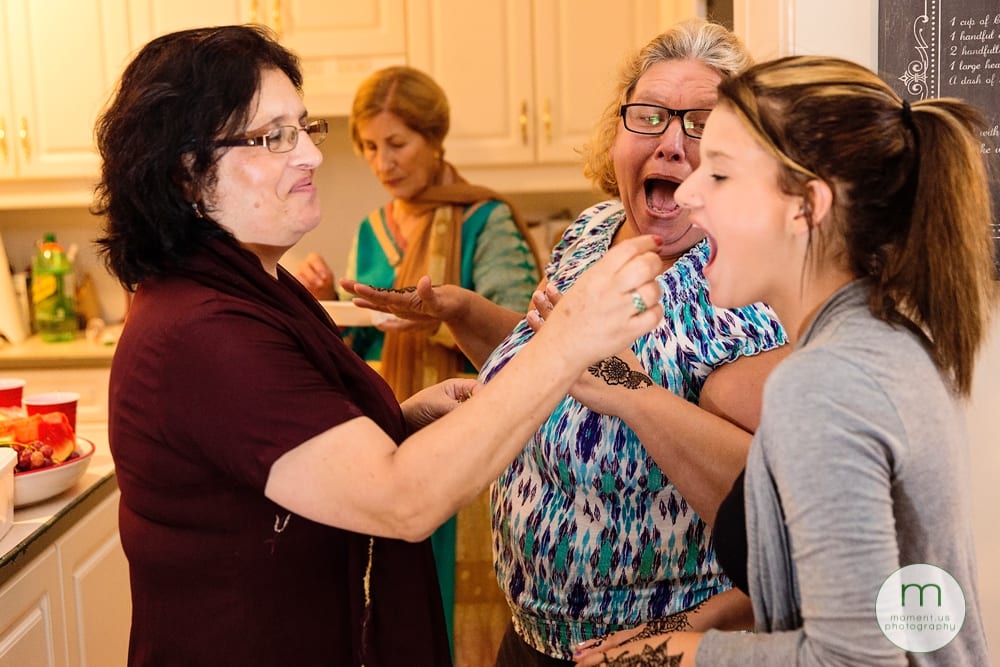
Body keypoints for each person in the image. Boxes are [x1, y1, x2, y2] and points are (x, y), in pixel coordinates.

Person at [90, 24, 666, 667]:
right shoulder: (199, 333)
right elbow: (402, 501)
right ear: (187, 175)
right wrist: (569, 339)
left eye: (304, 130)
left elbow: (288, 450)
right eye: (273, 137)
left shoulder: (254, 287)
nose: (310, 155)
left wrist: (401, 417)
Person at [343, 19, 789, 664]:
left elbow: (773, 511)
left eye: (701, 122)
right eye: (649, 117)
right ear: (617, 134)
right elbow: (545, 362)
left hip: (652, 648)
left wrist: (627, 385)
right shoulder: (592, 229)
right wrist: (465, 311)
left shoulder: (749, 279)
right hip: (529, 634)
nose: (670, 143)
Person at [574, 55, 994, 666]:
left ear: (806, 207)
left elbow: (851, 659)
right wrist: (694, 623)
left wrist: (678, 654)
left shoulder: (822, 384)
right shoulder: (882, 338)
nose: (688, 190)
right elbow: (861, 592)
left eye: (718, 174)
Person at [294, 65, 542, 402]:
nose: (383, 163)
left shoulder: (485, 220)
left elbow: (523, 335)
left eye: (397, 144)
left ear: (434, 139)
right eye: (370, 146)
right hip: (388, 415)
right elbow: (358, 347)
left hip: (471, 412)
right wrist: (325, 300)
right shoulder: (372, 229)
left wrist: (440, 324)